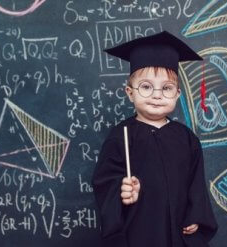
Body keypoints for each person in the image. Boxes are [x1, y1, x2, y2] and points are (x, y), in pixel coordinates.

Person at [92, 31, 218, 247]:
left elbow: (196, 184)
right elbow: (104, 181)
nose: (157, 95)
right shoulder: (120, 136)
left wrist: (196, 215)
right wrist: (121, 191)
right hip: (139, 231)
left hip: (180, 232)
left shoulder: (187, 138)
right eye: (146, 87)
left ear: (178, 94)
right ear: (130, 93)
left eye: (167, 88)